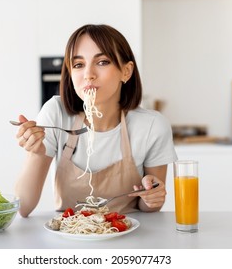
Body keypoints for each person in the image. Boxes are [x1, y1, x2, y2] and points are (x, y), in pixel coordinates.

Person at [14, 24, 177, 217]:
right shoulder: (56, 113)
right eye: (78, 65)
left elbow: (150, 207)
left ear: (126, 71)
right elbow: (23, 207)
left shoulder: (152, 126)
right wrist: (36, 154)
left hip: (129, 234)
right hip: (69, 236)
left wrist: (151, 195)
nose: (88, 74)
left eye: (102, 62)